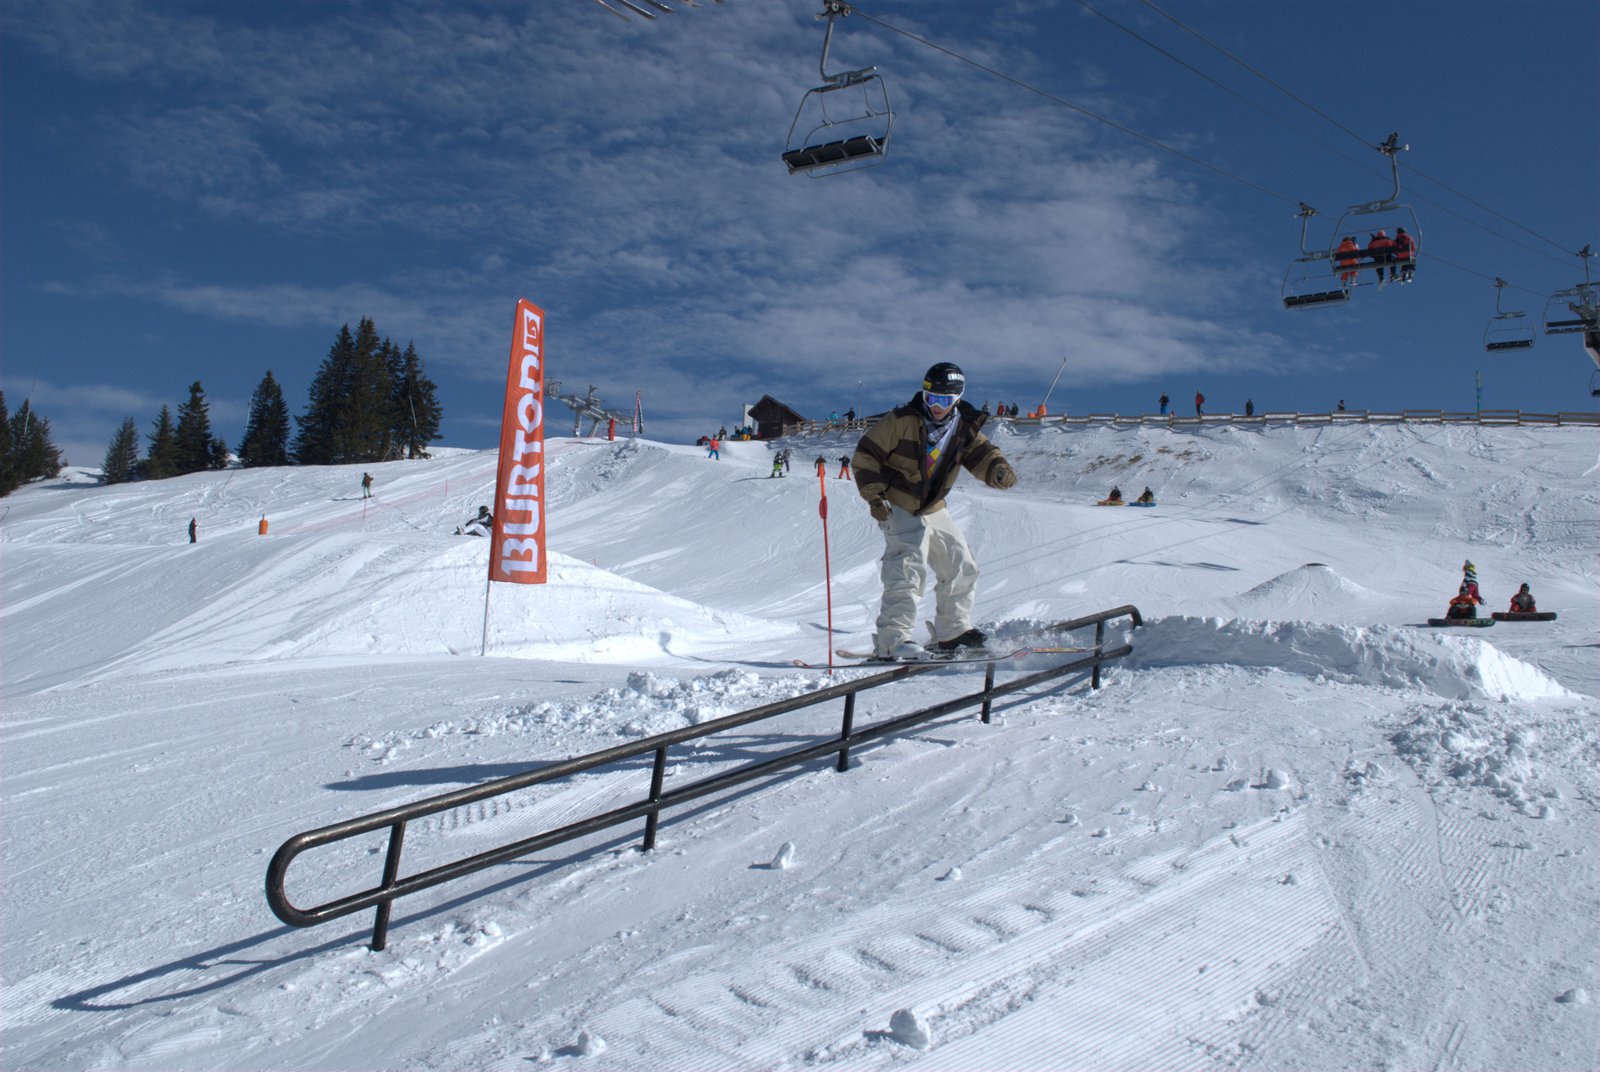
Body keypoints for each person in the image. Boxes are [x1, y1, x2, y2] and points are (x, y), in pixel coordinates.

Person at [852, 361, 1016, 660]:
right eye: (930, 398)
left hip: (932, 506)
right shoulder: (902, 420)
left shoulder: (963, 426)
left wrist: (997, 470)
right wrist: (875, 497)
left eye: (942, 400)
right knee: (906, 568)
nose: (935, 406)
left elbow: (983, 454)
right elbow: (865, 457)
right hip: (897, 503)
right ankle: (892, 641)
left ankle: (952, 632)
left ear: (956, 399)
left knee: (961, 563)